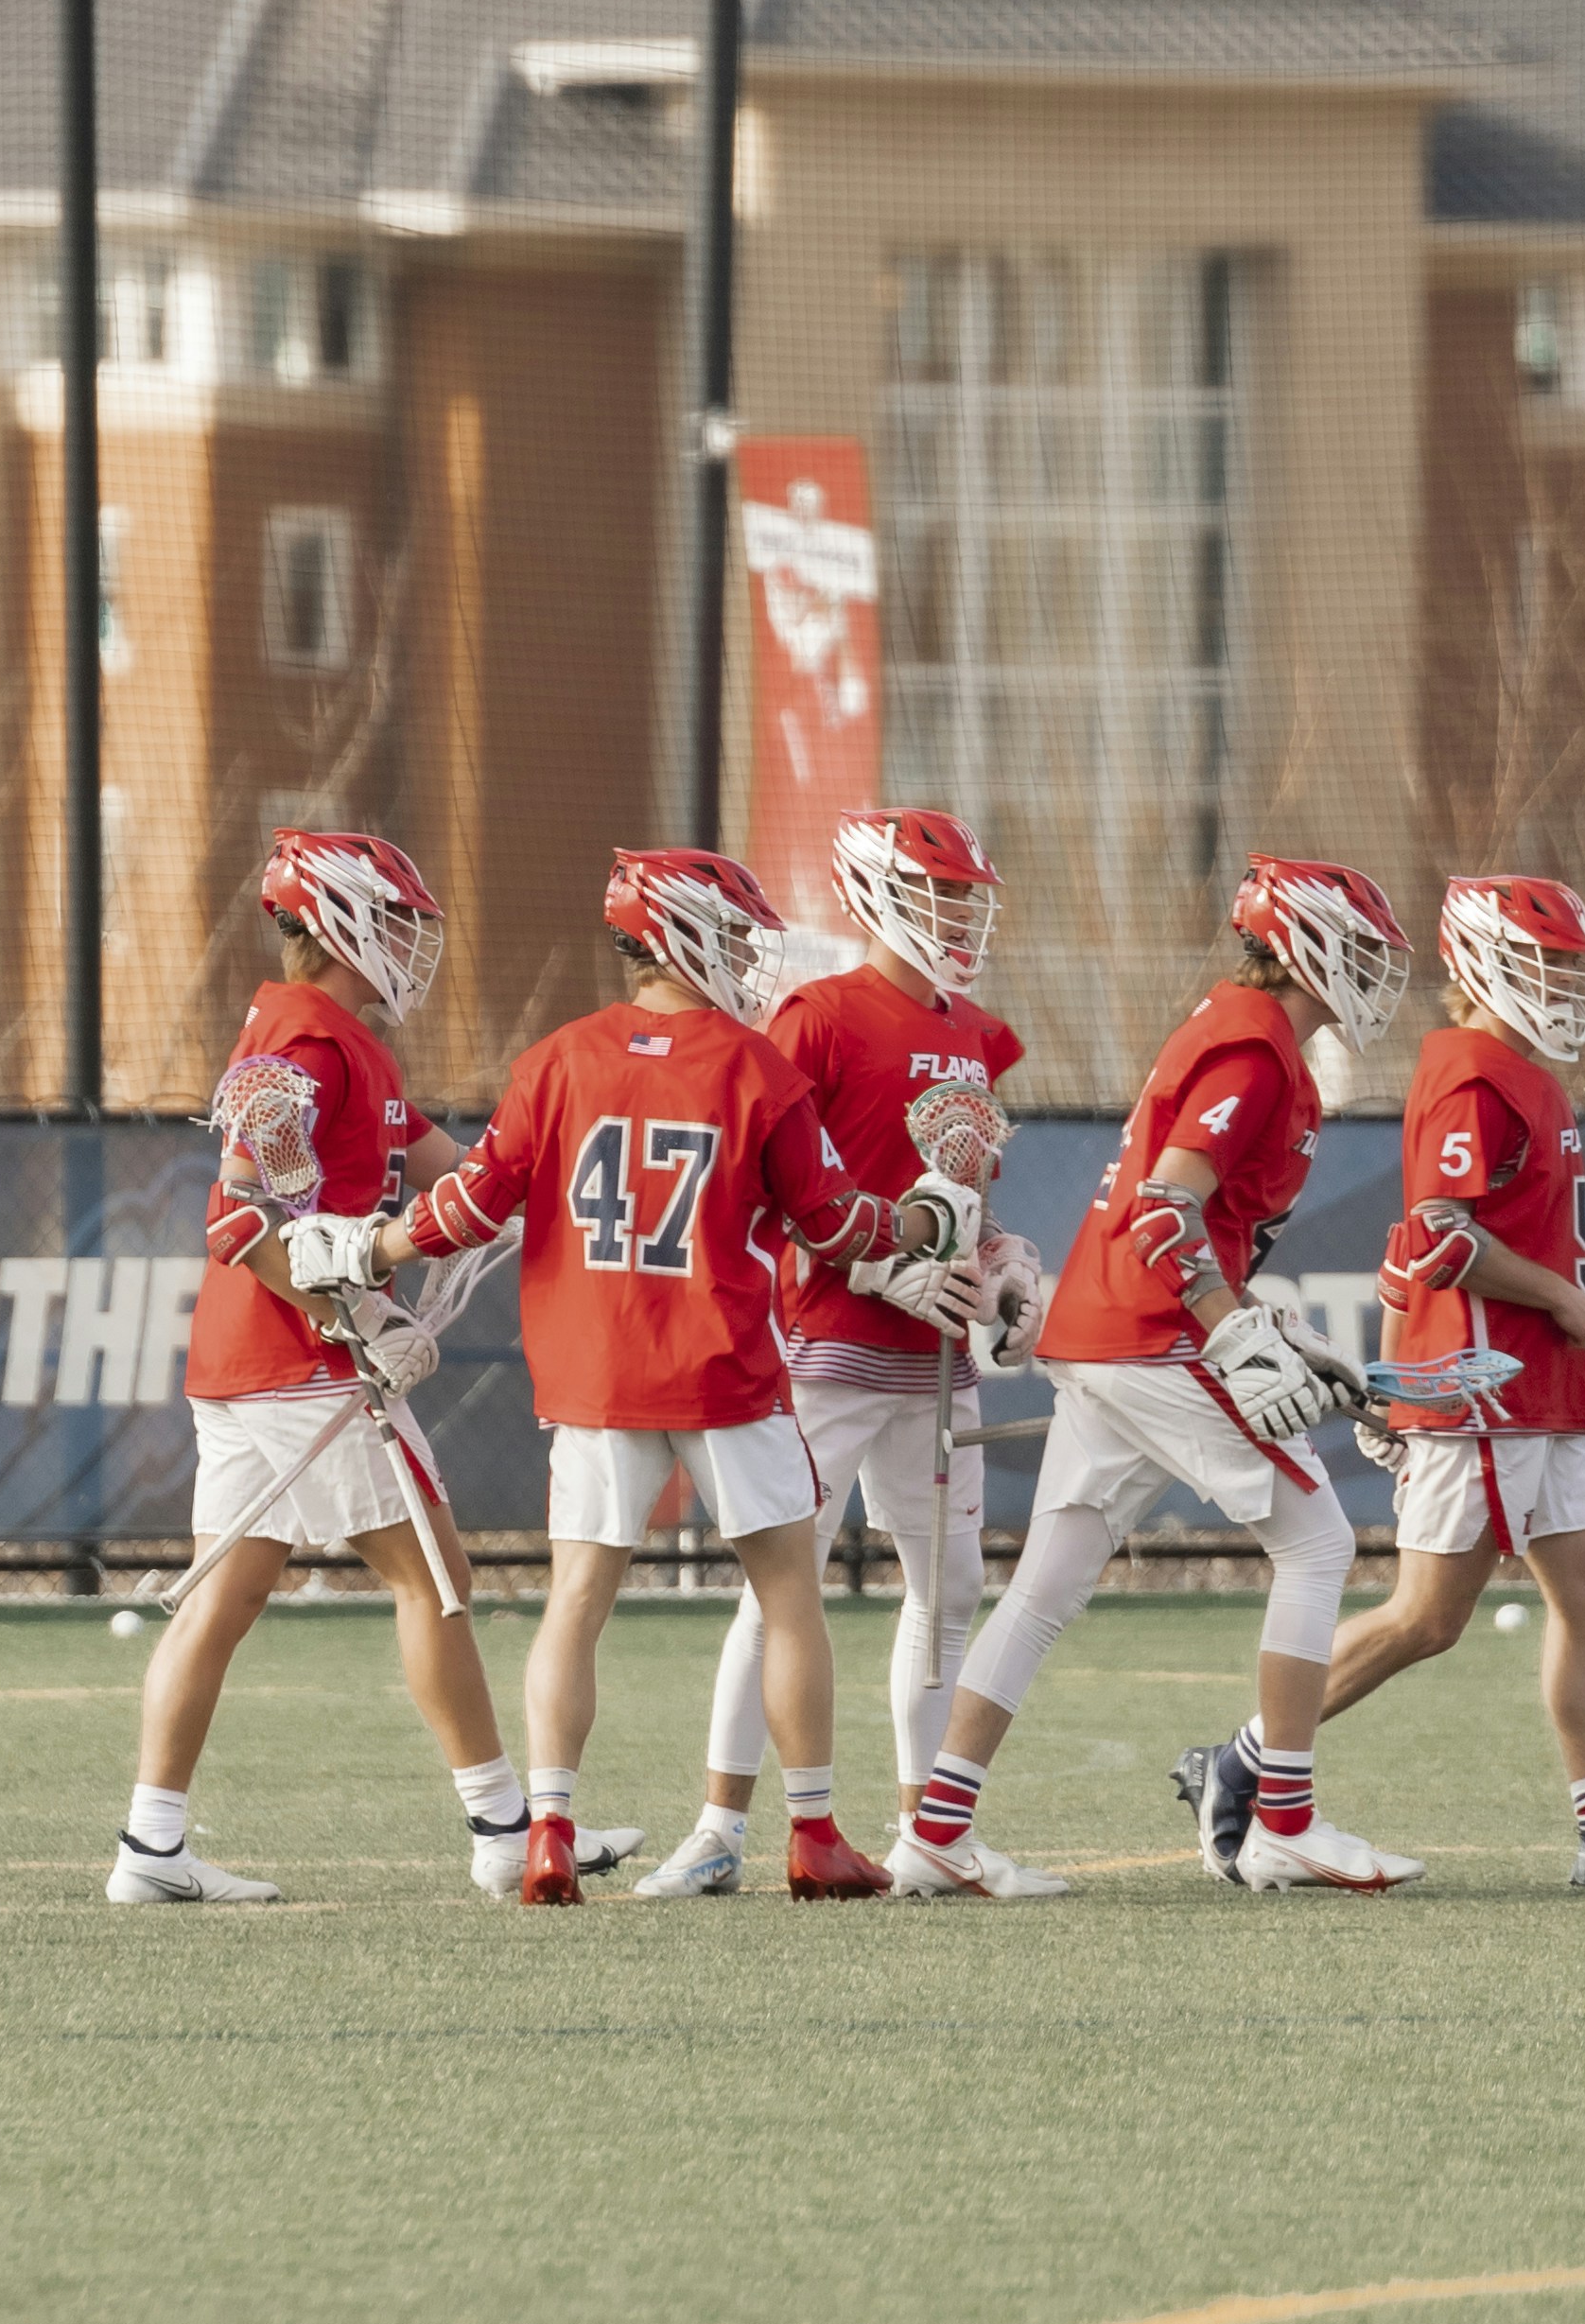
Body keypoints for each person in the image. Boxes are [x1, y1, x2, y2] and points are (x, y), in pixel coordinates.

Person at [309, 847, 977, 1904]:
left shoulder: (558, 1058)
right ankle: (810, 1832)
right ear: (686, 932)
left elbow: (470, 1207)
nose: (754, 958)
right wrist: (928, 1215)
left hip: (594, 1372)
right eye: (740, 935)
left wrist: (362, 1253)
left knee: (575, 1601)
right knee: (788, 1593)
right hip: (721, 1367)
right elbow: (837, 1224)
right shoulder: (756, 1068)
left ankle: (549, 1831)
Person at [107, 829, 636, 1908]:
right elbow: (239, 1217)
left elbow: (466, 1173)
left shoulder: (340, 1039)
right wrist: (348, 1321)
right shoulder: (308, 1042)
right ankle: (500, 1827)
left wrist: (579, 1152)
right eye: (390, 919)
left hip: (249, 1359)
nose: (408, 942)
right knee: (435, 1575)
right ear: (343, 921)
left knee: (224, 1594)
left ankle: (149, 1845)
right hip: (296, 1360)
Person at [1178, 877, 1585, 1890]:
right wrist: (1554, 1301)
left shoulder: (1518, 1072)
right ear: (1482, 965)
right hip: (1485, 1389)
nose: (1563, 985)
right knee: (1425, 1617)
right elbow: (1439, 1232)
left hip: (1540, 1392)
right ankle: (1245, 1754)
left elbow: (1409, 1248)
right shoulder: (1473, 1071)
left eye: (1572, 966)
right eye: (1544, 964)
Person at [891, 856, 1422, 1901]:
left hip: (1114, 1328)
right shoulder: (1252, 1047)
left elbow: (1189, 1217)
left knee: (1042, 1590)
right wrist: (1230, 1329)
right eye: (1353, 946)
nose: (1366, 969)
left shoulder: (1245, 1035)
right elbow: (1167, 1209)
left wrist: (1256, 1317)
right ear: (1305, 942)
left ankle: (936, 1830)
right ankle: (1285, 1821)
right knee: (1315, 1541)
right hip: (1151, 1330)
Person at [641, 807, 1037, 1900]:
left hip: (934, 1353)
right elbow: (758, 1183)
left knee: (949, 1586)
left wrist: (1000, 1266)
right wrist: (871, 1265)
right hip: (827, 1341)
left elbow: (964, 1197)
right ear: (876, 893)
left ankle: (929, 1834)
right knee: (782, 1586)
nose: (958, 914)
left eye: (966, 895)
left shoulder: (971, 1029)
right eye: (940, 892)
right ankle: (720, 1825)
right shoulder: (814, 1018)